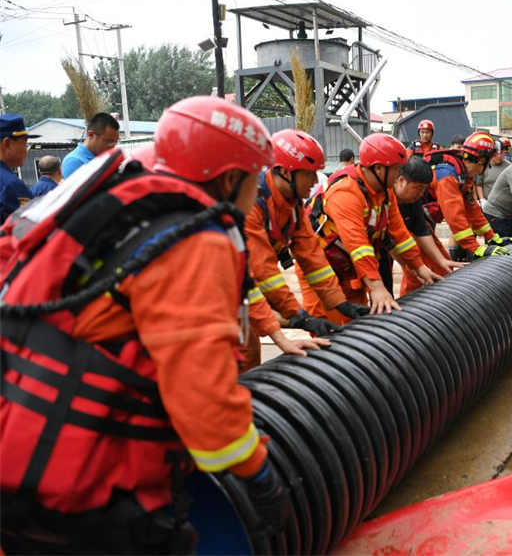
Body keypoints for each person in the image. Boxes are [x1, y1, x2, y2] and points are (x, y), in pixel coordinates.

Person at [0, 96, 291, 553]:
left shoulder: (105, 203)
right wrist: (261, 475)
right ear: (231, 178)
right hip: (89, 488)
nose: (259, 194)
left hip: (20, 465)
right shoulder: (193, 238)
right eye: (255, 179)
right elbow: (204, 401)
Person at [243, 129, 373, 366]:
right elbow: (264, 272)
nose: (315, 181)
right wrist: (298, 317)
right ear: (284, 172)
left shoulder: (293, 205)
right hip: (219, 292)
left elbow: (313, 258)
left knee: (248, 357)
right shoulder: (252, 203)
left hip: (242, 289)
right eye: (309, 174)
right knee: (238, 354)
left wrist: (340, 303)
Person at [304, 133, 442, 323]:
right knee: (331, 334)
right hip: (321, 272)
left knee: (355, 327)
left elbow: (400, 234)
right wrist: (377, 286)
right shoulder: (346, 192)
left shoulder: (385, 192)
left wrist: (419, 267)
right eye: (396, 170)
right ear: (378, 168)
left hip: (349, 270)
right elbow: (357, 245)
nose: (400, 175)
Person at [422, 131, 512, 261]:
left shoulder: (463, 174)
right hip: (411, 220)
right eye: (488, 163)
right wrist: (475, 248)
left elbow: (472, 209)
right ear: (481, 160)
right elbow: (455, 217)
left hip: (421, 221)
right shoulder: (448, 175)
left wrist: (492, 237)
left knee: (439, 270)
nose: (487, 168)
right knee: (426, 271)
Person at [390, 156, 465, 296]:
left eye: (423, 189)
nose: (420, 194)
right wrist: (413, 267)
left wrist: (441, 260)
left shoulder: (413, 199)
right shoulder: (387, 199)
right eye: (417, 188)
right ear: (401, 181)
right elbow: (390, 242)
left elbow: (421, 231)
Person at [0, 114, 37, 224]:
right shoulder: (10, 185)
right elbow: (28, 230)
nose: (26, 150)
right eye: (24, 143)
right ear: (7, 143)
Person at [61, 112, 120, 178]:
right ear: (90, 134)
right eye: (109, 141)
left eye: (115, 142)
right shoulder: (74, 162)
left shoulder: (103, 159)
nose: (113, 147)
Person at [474, 138, 511, 205]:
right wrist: (482, 200)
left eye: (501, 153)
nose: (499, 156)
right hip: (486, 204)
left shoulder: (509, 167)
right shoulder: (483, 166)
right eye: (496, 154)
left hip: (504, 205)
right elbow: (479, 184)